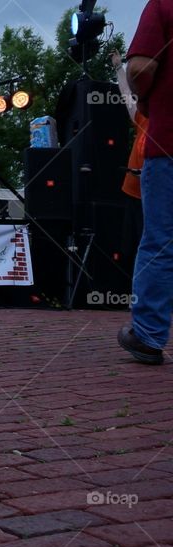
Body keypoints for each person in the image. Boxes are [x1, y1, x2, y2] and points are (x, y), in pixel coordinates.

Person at [118, 0, 173, 365]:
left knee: (160, 241)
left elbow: (140, 68)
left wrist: (148, 101)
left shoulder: (162, 5)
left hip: (168, 145)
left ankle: (149, 336)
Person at [112, 50, 147, 283]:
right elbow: (126, 95)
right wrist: (118, 68)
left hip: (157, 193)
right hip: (133, 190)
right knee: (132, 245)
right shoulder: (144, 117)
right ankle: (137, 293)